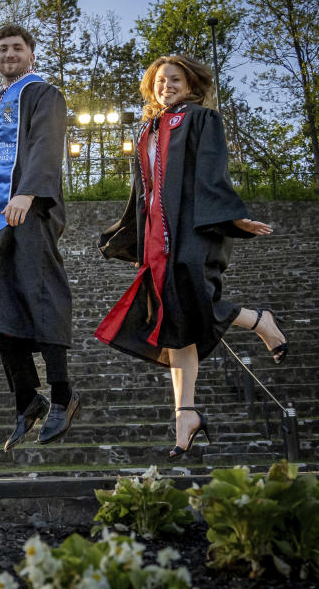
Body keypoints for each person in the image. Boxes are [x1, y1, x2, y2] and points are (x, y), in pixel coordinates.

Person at [97, 54, 289, 460]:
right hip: (157, 240)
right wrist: (132, 237)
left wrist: (233, 216)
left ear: (191, 84)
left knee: (194, 304)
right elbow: (142, 191)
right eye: (160, 80)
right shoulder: (148, 128)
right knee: (177, 324)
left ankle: (259, 320)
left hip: (192, 231)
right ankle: (185, 416)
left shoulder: (202, 119)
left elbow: (211, 172)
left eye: (175, 79)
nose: (166, 85)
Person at [0, 24, 80, 452]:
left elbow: (47, 146)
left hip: (30, 212)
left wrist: (28, 193)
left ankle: (63, 395)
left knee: (40, 295)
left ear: (31, 55)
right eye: (2, 49)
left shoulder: (42, 94)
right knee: (0, 311)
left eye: (17, 48)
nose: (9, 54)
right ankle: (26, 398)